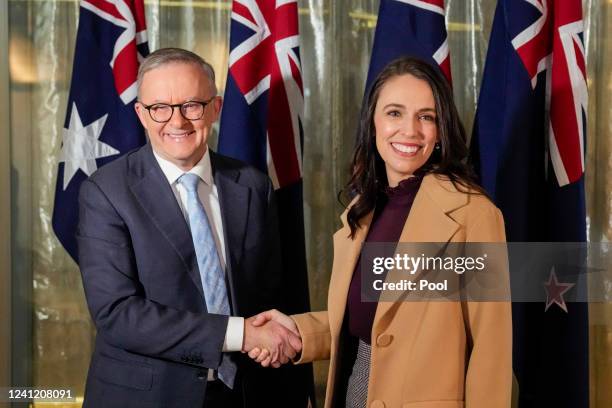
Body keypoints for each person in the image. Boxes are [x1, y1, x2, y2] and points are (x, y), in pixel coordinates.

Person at [249, 57, 512, 408]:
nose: (410, 130)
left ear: (440, 131)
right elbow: (367, 318)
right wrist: (293, 332)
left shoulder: (473, 214)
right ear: (373, 123)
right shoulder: (362, 211)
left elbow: (491, 349)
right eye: (394, 113)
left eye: (426, 117)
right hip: (354, 391)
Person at [77, 48, 303, 408]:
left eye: (191, 105)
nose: (177, 121)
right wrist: (241, 334)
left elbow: (269, 292)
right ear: (141, 114)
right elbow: (118, 313)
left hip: (245, 394)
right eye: (159, 108)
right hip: (148, 397)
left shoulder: (252, 185)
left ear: (215, 107)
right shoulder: (106, 192)